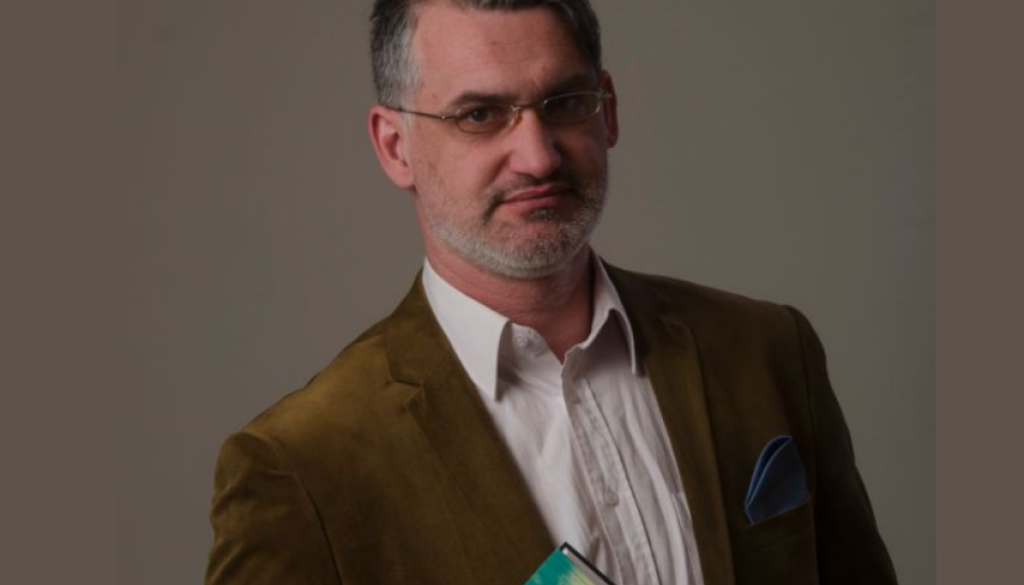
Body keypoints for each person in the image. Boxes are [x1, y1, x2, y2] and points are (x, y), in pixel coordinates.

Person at [205, 1, 898, 584]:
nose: (538, 156)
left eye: (563, 103)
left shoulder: (767, 350)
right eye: (480, 114)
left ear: (608, 110)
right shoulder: (304, 467)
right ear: (395, 146)